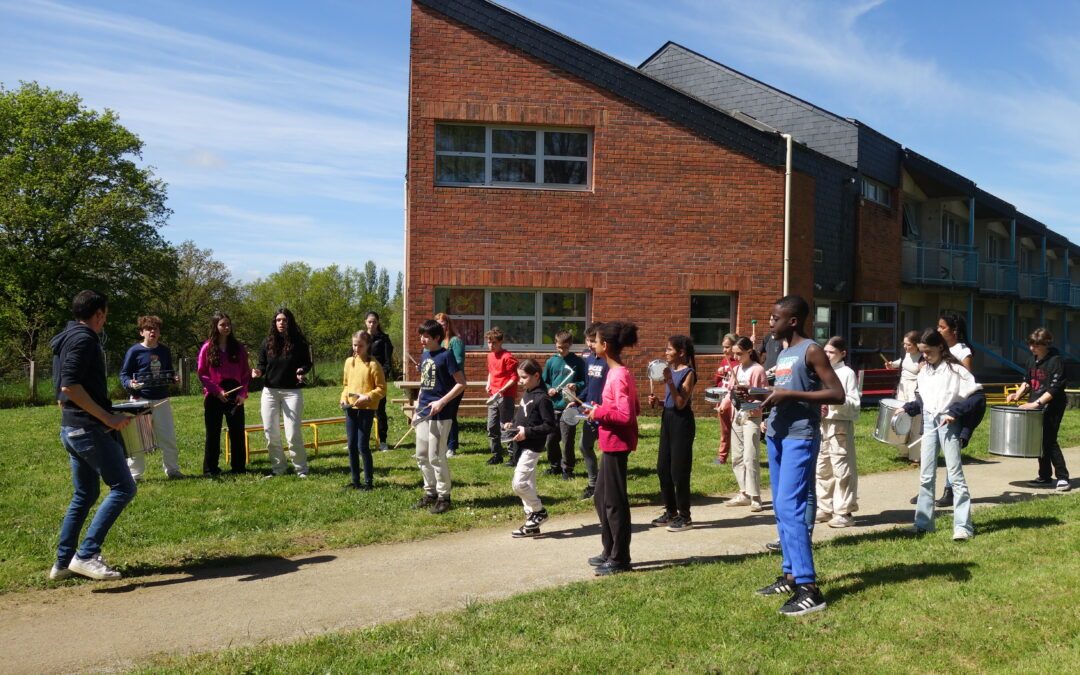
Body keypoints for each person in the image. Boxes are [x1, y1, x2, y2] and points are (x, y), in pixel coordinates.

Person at [749, 295, 844, 616]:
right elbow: (782, 389)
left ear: (792, 321)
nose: (770, 323)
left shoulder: (811, 349)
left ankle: (809, 587)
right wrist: (755, 396)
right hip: (776, 433)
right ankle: (790, 573)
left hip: (799, 436)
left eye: (775, 318)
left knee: (791, 506)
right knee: (780, 505)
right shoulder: (785, 352)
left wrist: (790, 394)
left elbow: (837, 393)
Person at [49, 290, 136, 581]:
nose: (105, 321)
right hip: (88, 429)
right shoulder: (84, 339)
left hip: (71, 427)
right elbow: (69, 387)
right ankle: (86, 555)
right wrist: (107, 418)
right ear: (98, 314)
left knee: (85, 493)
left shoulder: (66, 337)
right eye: (105, 315)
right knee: (124, 487)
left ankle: (62, 563)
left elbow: (61, 392)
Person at [902, 328, 981, 541]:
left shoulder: (956, 370)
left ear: (940, 347)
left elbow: (977, 398)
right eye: (922, 352)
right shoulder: (925, 371)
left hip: (948, 423)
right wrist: (909, 407)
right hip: (929, 422)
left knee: (955, 476)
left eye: (928, 352)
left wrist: (954, 413)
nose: (925, 357)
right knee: (926, 475)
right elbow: (924, 399)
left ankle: (963, 527)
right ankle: (923, 523)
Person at [585, 321, 640, 576]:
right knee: (601, 497)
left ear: (604, 346)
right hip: (610, 442)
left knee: (614, 503)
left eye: (595, 341)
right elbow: (631, 407)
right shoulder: (616, 373)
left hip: (617, 444)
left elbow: (627, 415)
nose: (592, 345)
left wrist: (599, 412)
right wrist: (598, 410)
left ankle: (620, 558)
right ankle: (609, 550)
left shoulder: (618, 375)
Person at [118, 315, 183, 480]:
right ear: (142, 332)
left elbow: (168, 372)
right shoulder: (134, 351)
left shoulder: (164, 350)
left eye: (156, 329)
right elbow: (124, 374)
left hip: (161, 400)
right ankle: (134, 474)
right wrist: (129, 383)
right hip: (140, 400)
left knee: (167, 436)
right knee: (137, 439)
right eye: (148, 329)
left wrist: (174, 378)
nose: (152, 331)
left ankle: (173, 470)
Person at [1008, 328, 1071, 492]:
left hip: (1053, 406)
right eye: (1030, 345)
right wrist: (1018, 395)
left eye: (1036, 345)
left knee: (1049, 440)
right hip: (1036, 404)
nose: (1032, 348)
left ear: (1046, 344)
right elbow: (1028, 381)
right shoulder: (1032, 360)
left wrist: (1037, 404)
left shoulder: (1056, 361)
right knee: (1039, 439)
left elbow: (1055, 388)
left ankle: (1063, 477)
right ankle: (1044, 476)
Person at [414, 319, 466, 513]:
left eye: (426, 336)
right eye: (421, 335)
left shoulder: (447, 356)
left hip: (441, 413)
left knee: (436, 456)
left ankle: (444, 497)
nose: (422, 339)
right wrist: (416, 409)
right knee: (421, 455)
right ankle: (430, 493)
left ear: (437, 337)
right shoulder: (424, 355)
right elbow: (423, 384)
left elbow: (461, 383)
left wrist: (442, 402)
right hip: (424, 412)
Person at [253, 308, 313, 478]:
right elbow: (262, 365)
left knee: (293, 432)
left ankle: (301, 468)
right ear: (275, 322)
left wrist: (302, 370)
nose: (281, 323)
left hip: (292, 392)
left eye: (284, 320)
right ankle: (279, 468)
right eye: (278, 320)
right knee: (270, 432)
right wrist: (258, 372)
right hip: (270, 392)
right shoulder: (267, 342)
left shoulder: (299, 342)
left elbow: (307, 363)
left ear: (290, 322)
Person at [648, 335, 697, 531]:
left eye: (669, 350)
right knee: (662, 468)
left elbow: (680, 403)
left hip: (682, 423)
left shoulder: (688, 373)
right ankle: (671, 511)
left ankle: (685, 516)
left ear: (681, 353)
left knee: (679, 470)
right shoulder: (673, 371)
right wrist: (659, 402)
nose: (666, 353)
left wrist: (669, 382)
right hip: (667, 419)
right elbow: (670, 403)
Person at [506, 359, 557, 537]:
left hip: (532, 446)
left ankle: (539, 511)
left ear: (536, 376)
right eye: (519, 377)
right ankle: (531, 523)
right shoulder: (528, 393)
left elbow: (550, 425)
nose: (520, 381)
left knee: (519, 484)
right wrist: (511, 425)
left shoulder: (543, 398)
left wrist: (527, 432)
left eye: (524, 377)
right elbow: (523, 416)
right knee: (529, 484)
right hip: (521, 445)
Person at [814, 336, 861, 529]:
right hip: (822, 424)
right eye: (825, 351)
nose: (827, 355)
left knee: (842, 467)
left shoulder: (847, 373)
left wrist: (831, 405)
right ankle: (825, 506)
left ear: (842, 354)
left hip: (839, 424)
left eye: (831, 352)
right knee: (822, 466)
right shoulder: (820, 371)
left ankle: (844, 511)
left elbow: (853, 402)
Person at [197, 312, 251, 475]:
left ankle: (239, 467)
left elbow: (245, 373)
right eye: (222, 325)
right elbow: (202, 373)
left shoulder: (238, 348)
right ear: (215, 326)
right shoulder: (207, 347)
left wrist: (242, 393)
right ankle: (210, 469)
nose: (226, 327)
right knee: (213, 433)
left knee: (237, 431)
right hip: (214, 394)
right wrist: (217, 391)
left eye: (228, 324)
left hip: (235, 392)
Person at [724, 336, 767, 512]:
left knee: (751, 456)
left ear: (749, 351)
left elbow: (763, 394)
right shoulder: (737, 368)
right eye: (734, 354)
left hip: (751, 415)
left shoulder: (757, 370)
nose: (736, 357)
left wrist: (748, 393)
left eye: (739, 354)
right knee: (737, 457)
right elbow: (730, 391)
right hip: (737, 415)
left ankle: (755, 496)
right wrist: (725, 403)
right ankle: (744, 493)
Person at [340, 330, 386, 490]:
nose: (357, 348)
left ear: (368, 346)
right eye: (354, 345)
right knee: (351, 445)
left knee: (362, 446)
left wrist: (367, 397)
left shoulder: (373, 365)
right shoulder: (349, 362)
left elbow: (381, 389)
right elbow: (346, 385)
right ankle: (355, 480)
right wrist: (343, 397)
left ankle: (368, 482)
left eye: (360, 346)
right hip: (351, 408)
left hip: (366, 409)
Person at [543, 330, 587, 479]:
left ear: (571, 345)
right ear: (555, 344)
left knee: (567, 440)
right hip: (553, 406)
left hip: (569, 407)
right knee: (551, 440)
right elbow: (545, 381)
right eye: (559, 347)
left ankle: (567, 469)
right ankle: (554, 465)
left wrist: (576, 385)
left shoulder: (578, 362)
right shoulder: (551, 362)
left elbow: (584, 382)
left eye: (565, 348)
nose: (562, 350)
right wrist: (549, 389)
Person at [576, 323, 609, 500]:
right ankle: (593, 484)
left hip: (604, 413)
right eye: (588, 341)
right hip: (589, 411)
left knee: (606, 452)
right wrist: (577, 401)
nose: (589, 345)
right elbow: (589, 386)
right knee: (584, 446)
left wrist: (604, 408)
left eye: (593, 341)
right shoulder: (589, 359)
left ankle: (605, 487)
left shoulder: (608, 361)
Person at [885, 330, 924, 463]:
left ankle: (915, 455)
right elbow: (902, 362)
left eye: (909, 345)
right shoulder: (906, 354)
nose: (905, 347)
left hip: (915, 391)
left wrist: (922, 368)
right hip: (902, 390)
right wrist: (892, 365)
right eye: (904, 344)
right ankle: (903, 451)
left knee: (915, 423)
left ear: (917, 345)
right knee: (900, 419)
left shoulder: (922, 358)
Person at [485, 327, 519, 466]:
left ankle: (513, 456)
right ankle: (496, 454)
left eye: (494, 343)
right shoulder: (490, 356)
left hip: (506, 396)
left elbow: (514, 377)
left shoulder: (507, 357)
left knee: (506, 425)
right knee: (492, 426)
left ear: (500, 342)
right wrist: (488, 384)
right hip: (494, 395)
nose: (491, 345)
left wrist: (502, 389)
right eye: (489, 342)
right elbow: (491, 372)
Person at [435, 313, 466, 457]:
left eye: (443, 323)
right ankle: (441, 444)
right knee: (441, 414)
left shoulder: (455, 341)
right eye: (438, 324)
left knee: (450, 414)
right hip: (440, 383)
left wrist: (442, 364)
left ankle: (452, 446)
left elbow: (458, 362)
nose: (441, 326)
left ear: (448, 324)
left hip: (455, 383)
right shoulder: (437, 342)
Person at [366, 312, 395, 452]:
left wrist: (380, 376)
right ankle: (362, 440)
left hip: (378, 380)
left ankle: (382, 440)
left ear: (378, 323)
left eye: (375, 322)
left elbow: (388, 362)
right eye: (370, 322)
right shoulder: (361, 338)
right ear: (365, 322)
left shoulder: (384, 339)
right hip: (363, 380)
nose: (372, 324)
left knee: (380, 411)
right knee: (361, 410)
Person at [713, 333, 737, 464]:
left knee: (738, 429)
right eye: (723, 347)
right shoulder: (724, 360)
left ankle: (740, 457)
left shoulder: (740, 361)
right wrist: (719, 373)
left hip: (734, 400)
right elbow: (717, 381)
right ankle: (722, 457)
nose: (724, 350)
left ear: (734, 346)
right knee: (725, 430)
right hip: (723, 398)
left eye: (727, 347)